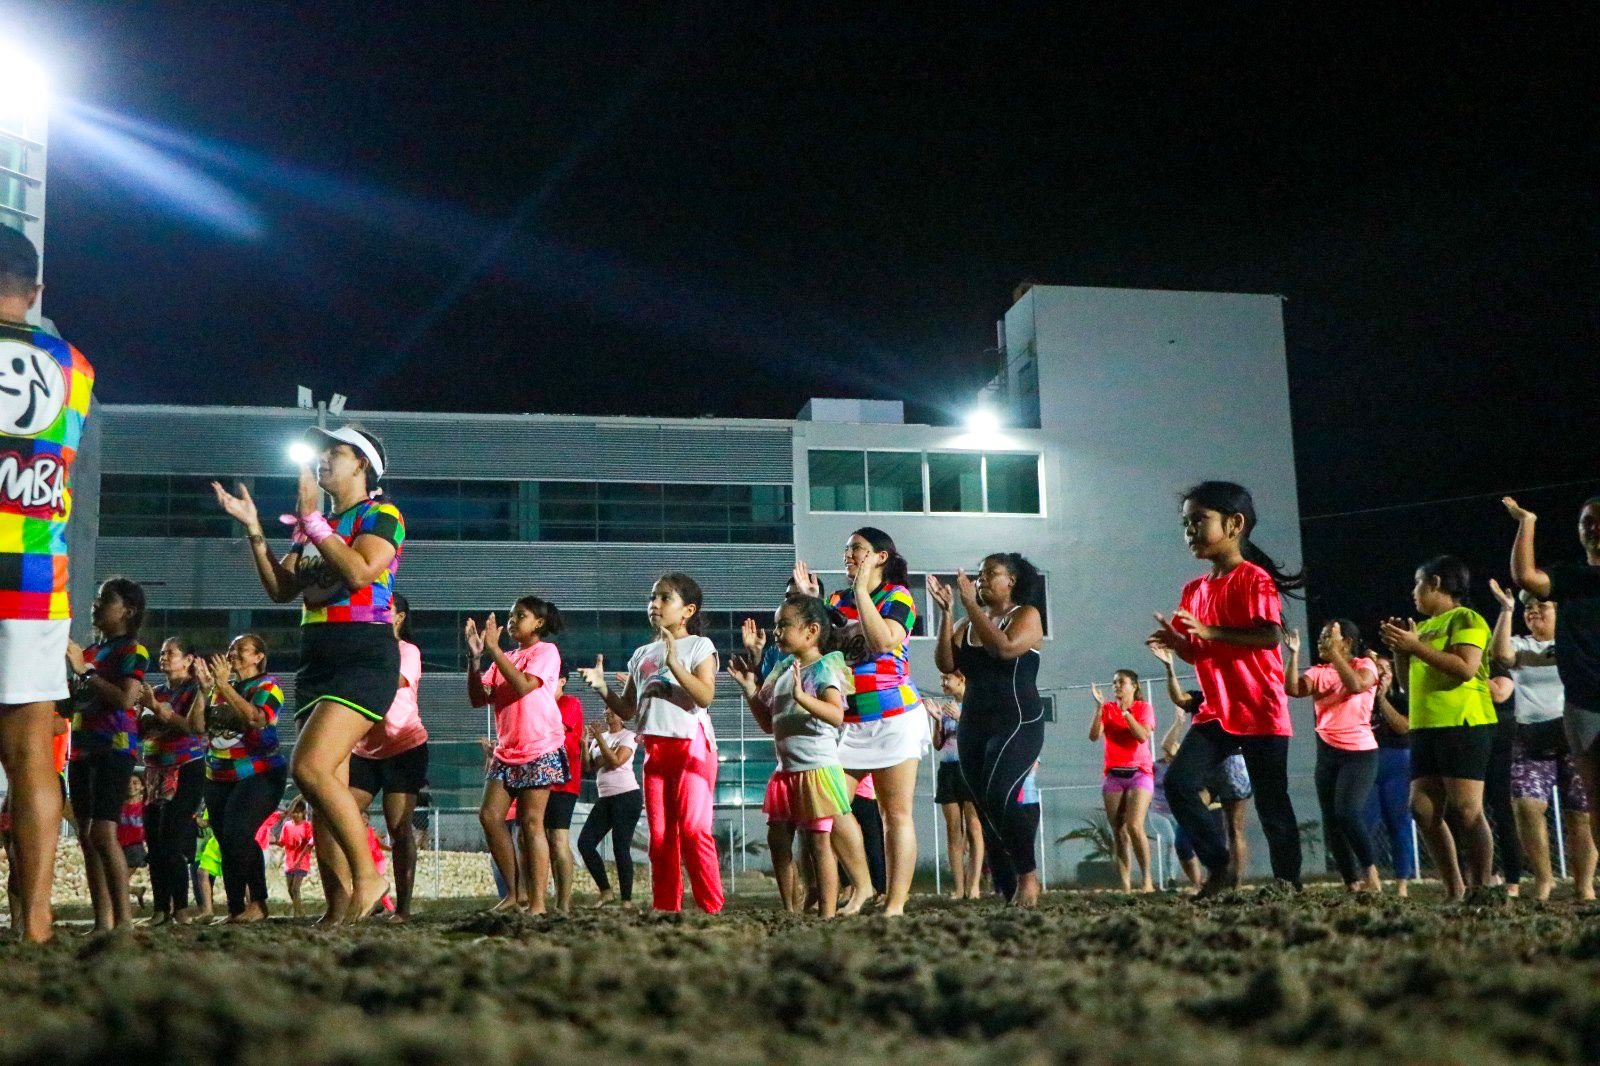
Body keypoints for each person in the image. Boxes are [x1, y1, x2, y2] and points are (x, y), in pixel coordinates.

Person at [212, 422, 405, 923]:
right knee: (323, 790)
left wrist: (315, 522)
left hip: (364, 653)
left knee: (309, 767)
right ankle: (339, 907)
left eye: (334, 452)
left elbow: (360, 572)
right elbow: (282, 589)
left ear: (361, 464)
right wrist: (255, 529)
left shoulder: (381, 515)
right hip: (317, 657)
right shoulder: (313, 525)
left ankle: (369, 878)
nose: (322, 460)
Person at [0, 225, 96, 943]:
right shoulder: (76, 368)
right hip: (36, 582)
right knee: (34, 754)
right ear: (36, 291)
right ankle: (34, 918)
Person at [1150, 481, 1302, 897]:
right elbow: (1198, 652)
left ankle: (1288, 885)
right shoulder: (1194, 590)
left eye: (1199, 520)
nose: (1189, 530)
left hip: (1260, 708)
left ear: (1234, 524)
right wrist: (1178, 643)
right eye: (1185, 523)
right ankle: (1219, 867)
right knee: (1179, 784)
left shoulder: (1254, 579)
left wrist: (1211, 632)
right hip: (1217, 711)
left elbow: (1269, 636)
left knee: (1272, 802)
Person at [793, 530, 926, 916]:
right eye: (846, 548)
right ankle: (863, 885)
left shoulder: (898, 596)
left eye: (857, 549)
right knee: (828, 807)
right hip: (848, 722)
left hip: (893, 717)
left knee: (895, 815)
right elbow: (821, 649)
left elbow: (883, 641)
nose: (848, 554)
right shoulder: (837, 600)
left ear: (880, 556)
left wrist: (863, 592)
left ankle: (895, 903)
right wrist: (814, 604)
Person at [581, 573, 723, 914]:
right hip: (655, 753)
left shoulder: (699, 646)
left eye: (664, 598)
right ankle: (666, 910)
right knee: (660, 840)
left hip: (692, 749)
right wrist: (602, 687)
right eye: (652, 597)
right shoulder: (642, 654)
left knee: (693, 831)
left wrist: (674, 664)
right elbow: (628, 710)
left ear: (688, 611)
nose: (654, 604)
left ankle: (712, 910)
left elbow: (705, 696)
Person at [729, 594, 872, 918]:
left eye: (783, 625)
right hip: (786, 771)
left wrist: (801, 697)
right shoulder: (783, 669)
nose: (776, 632)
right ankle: (789, 909)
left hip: (817, 770)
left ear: (811, 631)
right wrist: (749, 690)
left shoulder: (824, 667)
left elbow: (836, 714)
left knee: (820, 843)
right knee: (778, 838)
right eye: (776, 626)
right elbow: (768, 723)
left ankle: (827, 913)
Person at [929, 553, 1046, 906]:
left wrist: (970, 605)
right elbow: (946, 664)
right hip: (974, 724)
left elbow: (1005, 648)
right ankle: (1009, 889)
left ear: (1011, 580)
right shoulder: (967, 624)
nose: (980, 580)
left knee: (999, 796)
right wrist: (947, 614)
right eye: (978, 575)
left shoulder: (1026, 615)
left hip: (1017, 721)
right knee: (984, 807)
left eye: (989, 573)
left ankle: (1028, 876)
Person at [1380, 555, 1496, 901]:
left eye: (1418, 583)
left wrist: (1415, 646)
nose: (1413, 592)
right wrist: (1401, 651)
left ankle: (1482, 890)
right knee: (1423, 809)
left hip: (1462, 722)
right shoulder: (1423, 628)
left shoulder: (1466, 618)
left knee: (1467, 810)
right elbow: (1407, 686)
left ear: (1435, 583)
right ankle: (1454, 889)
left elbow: (1465, 668)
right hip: (1425, 726)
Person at [1492, 579, 1594, 900]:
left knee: (1581, 812)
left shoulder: (1576, 643)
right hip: (1531, 738)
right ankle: (1544, 880)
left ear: (1559, 611)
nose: (1533, 611)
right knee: (1526, 806)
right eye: (1528, 608)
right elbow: (1501, 655)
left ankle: (1584, 885)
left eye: (1542, 606)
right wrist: (1507, 610)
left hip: (1575, 736)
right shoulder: (1521, 645)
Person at [468, 596, 567, 915]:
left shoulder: (546, 652)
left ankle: (537, 904)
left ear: (539, 623)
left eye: (520, 616)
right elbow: (478, 698)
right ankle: (515, 893)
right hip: (507, 750)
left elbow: (524, 685)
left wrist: (494, 650)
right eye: (510, 616)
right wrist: (475, 660)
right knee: (489, 815)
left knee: (530, 822)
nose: (511, 621)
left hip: (539, 746)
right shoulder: (505, 658)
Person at [1506, 497, 1600, 833]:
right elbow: (1525, 577)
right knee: (1595, 798)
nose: (1594, 528)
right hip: (1582, 703)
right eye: (1587, 522)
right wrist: (1527, 522)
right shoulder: (1570, 577)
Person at [66, 577, 149, 931]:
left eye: (104, 599)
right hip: (81, 749)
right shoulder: (90, 652)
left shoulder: (133, 651)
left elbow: (126, 698)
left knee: (103, 832)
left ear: (127, 611)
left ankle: (125, 922)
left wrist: (86, 673)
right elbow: (74, 701)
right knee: (88, 837)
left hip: (113, 747)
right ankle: (103, 922)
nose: (95, 605)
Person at [192, 635, 288, 922]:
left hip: (258, 773)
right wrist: (204, 690)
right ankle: (235, 908)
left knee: (238, 833)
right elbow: (198, 727)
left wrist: (223, 687)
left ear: (258, 657)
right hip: (218, 776)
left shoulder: (267, 686)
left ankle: (258, 902)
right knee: (226, 841)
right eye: (230, 648)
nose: (232, 653)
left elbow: (256, 719)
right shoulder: (222, 688)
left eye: (240, 649)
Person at [348, 591, 428, 921]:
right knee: (342, 813)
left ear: (399, 617)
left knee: (398, 826)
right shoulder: (364, 649)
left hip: (403, 748)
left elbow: (391, 681)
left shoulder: (407, 651)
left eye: (385, 609)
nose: (377, 614)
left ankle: (404, 908)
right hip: (364, 749)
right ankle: (368, 888)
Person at [1285, 621, 1382, 891]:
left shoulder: (1365, 665)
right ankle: (1352, 882)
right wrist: (1294, 655)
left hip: (1359, 754)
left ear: (1347, 642)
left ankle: (1371, 873)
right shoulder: (1319, 672)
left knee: (1347, 812)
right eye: (1321, 637)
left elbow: (1356, 685)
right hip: (1327, 753)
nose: (1321, 641)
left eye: (1328, 637)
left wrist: (1336, 656)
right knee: (1331, 821)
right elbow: (1294, 689)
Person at [136, 637, 208, 924]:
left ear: (189, 659)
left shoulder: (196, 690)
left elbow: (191, 728)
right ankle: (160, 909)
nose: (163, 657)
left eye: (171, 653)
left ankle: (180, 908)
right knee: (154, 841)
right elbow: (142, 728)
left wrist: (158, 711)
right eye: (162, 652)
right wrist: (157, 712)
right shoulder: (156, 692)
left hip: (186, 768)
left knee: (172, 839)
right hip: (155, 771)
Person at [1087, 670, 1156, 892]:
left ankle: (1146, 880)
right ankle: (1125, 884)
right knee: (1118, 831)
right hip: (1114, 775)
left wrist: (1126, 713)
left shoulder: (1143, 708)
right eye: (1114, 682)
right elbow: (1094, 736)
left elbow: (1142, 736)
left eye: (1121, 682)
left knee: (1135, 825)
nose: (1116, 686)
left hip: (1139, 773)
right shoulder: (1108, 709)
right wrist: (1099, 709)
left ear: (1134, 686)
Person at [1365, 653, 1418, 896]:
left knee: (1399, 823)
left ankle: (1402, 884)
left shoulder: (1401, 698)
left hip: (1397, 761)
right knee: (1365, 823)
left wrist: (1382, 698)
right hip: (1367, 761)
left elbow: (1402, 726)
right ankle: (1371, 878)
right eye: (1378, 668)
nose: (1383, 673)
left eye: (1387, 669)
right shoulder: (1359, 696)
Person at [578, 709, 643, 907]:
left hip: (627, 796)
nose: (608, 712)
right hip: (605, 798)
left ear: (622, 715)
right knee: (585, 843)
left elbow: (616, 761)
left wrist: (600, 742)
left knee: (620, 847)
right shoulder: (601, 737)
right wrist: (585, 744)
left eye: (613, 710)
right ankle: (606, 891)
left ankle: (626, 900)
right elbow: (588, 767)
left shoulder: (628, 736)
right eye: (606, 709)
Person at [929, 672, 983, 899]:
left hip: (970, 768)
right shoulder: (946, 707)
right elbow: (938, 744)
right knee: (953, 829)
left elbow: (983, 735)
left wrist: (962, 718)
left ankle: (974, 885)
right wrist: (937, 721)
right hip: (948, 769)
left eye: (947, 679)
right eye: (941, 679)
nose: (943, 683)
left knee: (974, 827)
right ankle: (959, 888)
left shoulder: (976, 704)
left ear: (961, 679)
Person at [545, 667, 584, 913]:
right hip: (543, 781)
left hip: (564, 783)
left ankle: (564, 902)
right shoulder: (546, 704)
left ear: (562, 681)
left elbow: (555, 731)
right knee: (548, 841)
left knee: (559, 840)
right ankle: (555, 899)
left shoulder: (570, 703)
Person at [993, 763, 1042, 900]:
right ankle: (1008, 888)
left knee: (1024, 846)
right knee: (1003, 847)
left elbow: (1031, 767)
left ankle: (1027, 885)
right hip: (1007, 801)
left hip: (1027, 801)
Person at [276, 796, 315, 918]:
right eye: (294, 812)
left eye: (298, 812)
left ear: (303, 813)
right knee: (290, 889)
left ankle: (297, 914)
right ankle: (300, 911)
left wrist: (300, 859)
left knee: (295, 888)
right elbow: (282, 842)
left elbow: (310, 844)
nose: (296, 815)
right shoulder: (287, 825)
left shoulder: (307, 826)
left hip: (301, 861)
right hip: (289, 861)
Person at [119, 775, 148, 911]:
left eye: (135, 783)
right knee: (117, 880)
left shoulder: (144, 808)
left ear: (142, 787)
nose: (131, 786)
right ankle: (135, 891)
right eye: (128, 782)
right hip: (118, 846)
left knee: (118, 880)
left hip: (134, 848)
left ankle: (123, 910)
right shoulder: (119, 807)